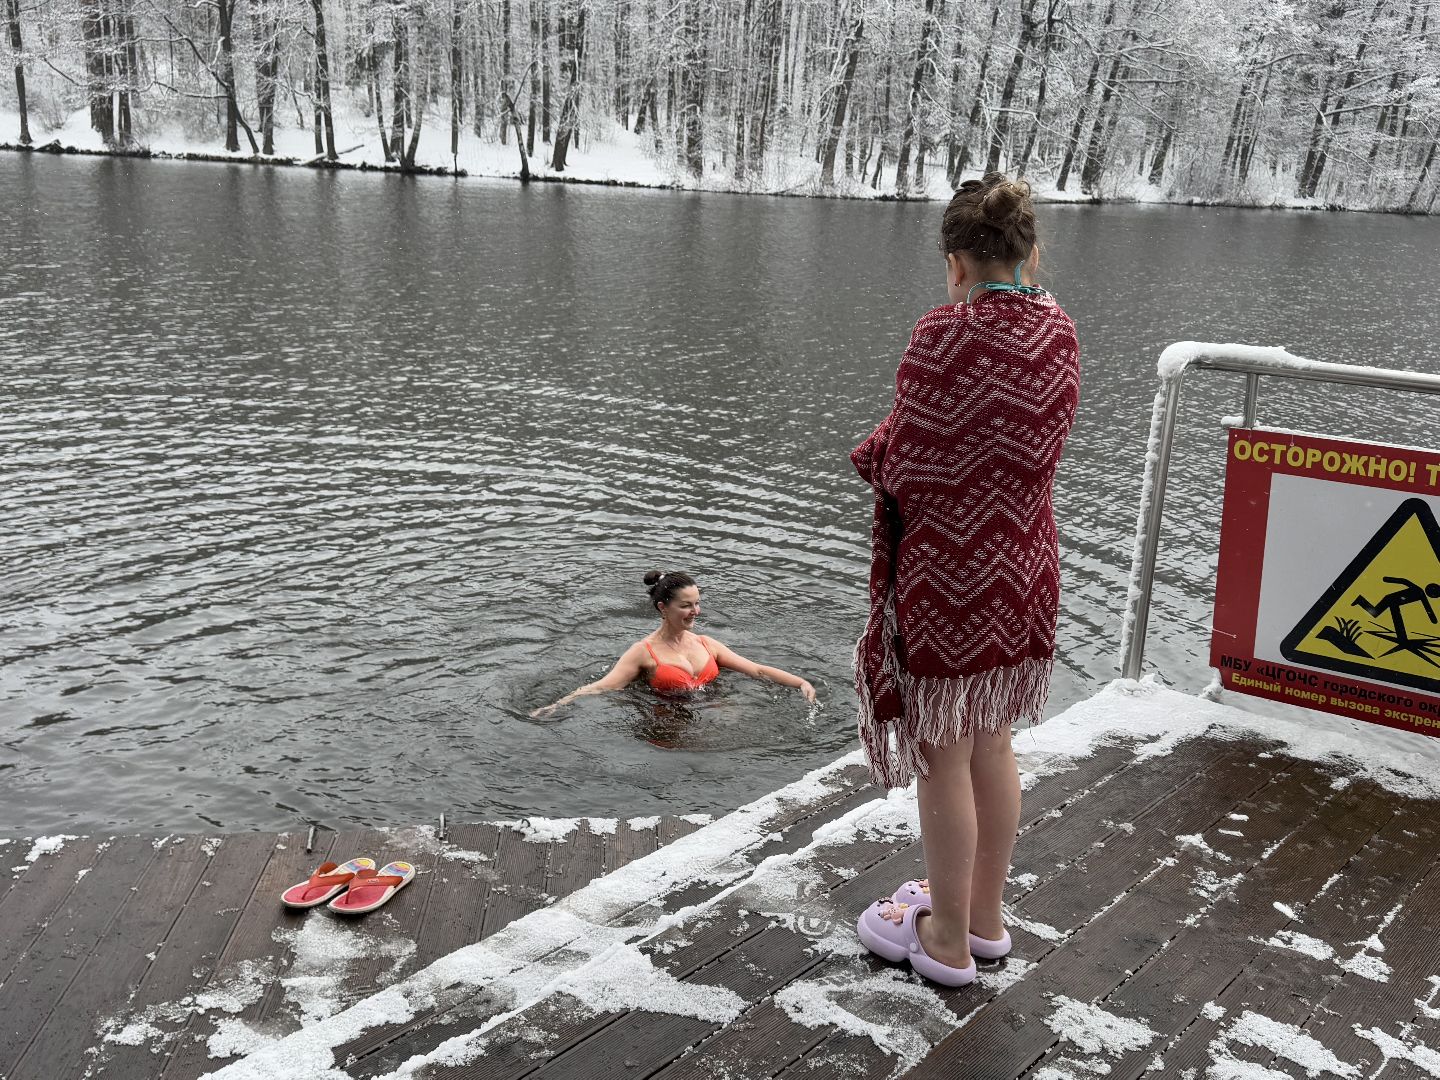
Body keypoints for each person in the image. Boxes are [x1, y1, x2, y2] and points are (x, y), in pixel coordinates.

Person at [851, 173, 1080, 987]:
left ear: (956, 263)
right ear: (1031, 252)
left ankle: (943, 941)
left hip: (950, 584)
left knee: (941, 754)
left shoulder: (939, 336)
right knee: (994, 741)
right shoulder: (1060, 330)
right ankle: (985, 921)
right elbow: (1014, 450)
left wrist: (872, 453)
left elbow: (907, 460)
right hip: (1025, 570)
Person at [531, 570, 816, 716]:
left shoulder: (707, 644)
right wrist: (559, 704)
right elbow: (605, 685)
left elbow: (757, 670)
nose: (695, 612)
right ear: (662, 608)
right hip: (666, 717)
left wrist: (800, 682)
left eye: (697, 604)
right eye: (686, 605)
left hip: (712, 711)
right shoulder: (643, 653)